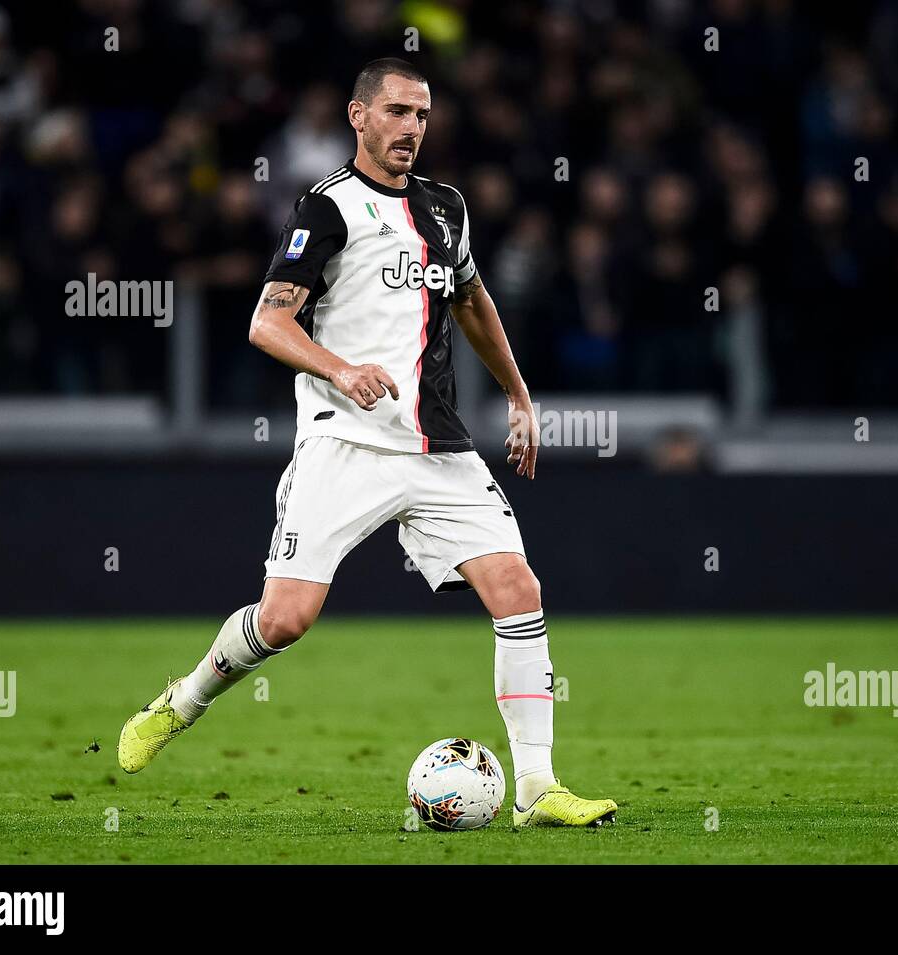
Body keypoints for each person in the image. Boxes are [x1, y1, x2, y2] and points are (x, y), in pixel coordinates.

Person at [116, 59, 616, 828]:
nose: (412, 127)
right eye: (396, 112)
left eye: (421, 114)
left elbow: (473, 299)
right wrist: (341, 369)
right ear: (358, 117)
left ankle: (537, 789)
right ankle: (183, 700)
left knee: (519, 590)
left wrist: (518, 394)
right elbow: (267, 321)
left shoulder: (446, 208)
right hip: (343, 441)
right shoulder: (326, 209)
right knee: (285, 619)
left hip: (438, 444)